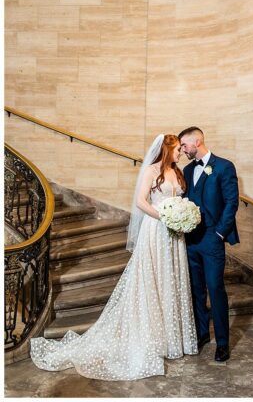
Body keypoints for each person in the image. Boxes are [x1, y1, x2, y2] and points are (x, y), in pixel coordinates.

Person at [30, 134, 198, 380]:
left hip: (175, 236)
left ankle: (174, 339)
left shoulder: (178, 171)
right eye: (177, 150)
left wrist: (183, 215)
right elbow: (141, 202)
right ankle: (154, 338)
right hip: (156, 230)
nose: (180, 153)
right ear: (166, 149)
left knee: (171, 280)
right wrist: (165, 216)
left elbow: (180, 199)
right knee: (153, 279)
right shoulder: (152, 171)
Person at [178, 127, 239, 363]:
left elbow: (231, 202)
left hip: (212, 240)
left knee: (215, 288)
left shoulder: (224, 166)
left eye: (185, 145)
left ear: (198, 141)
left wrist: (220, 233)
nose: (183, 150)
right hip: (191, 239)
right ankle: (202, 333)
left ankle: (222, 343)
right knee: (196, 289)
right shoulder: (187, 169)